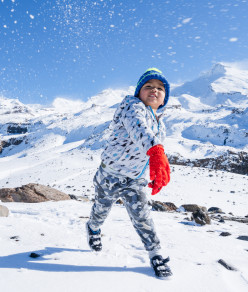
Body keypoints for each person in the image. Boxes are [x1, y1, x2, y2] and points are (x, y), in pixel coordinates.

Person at [86, 68, 172, 278]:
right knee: (101, 210)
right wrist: (156, 151)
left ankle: (155, 254)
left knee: (142, 217)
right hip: (110, 176)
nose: (154, 90)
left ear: (164, 99)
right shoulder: (131, 107)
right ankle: (93, 228)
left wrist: (154, 171)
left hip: (135, 180)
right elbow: (139, 129)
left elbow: (151, 147)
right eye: (148, 86)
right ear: (138, 92)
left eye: (160, 88)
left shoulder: (160, 124)